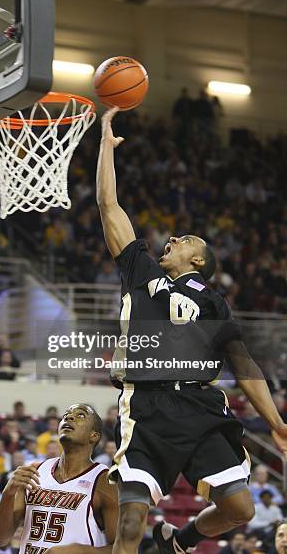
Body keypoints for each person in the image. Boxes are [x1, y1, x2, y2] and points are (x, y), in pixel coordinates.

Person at [96, 107, 287, 554]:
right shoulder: (142, 271)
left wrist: (276, 422)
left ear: (198, 261)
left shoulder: (215, 303)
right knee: (131, 521)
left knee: (241, 509)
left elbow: (243, 364)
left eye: (185, 240)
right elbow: (109, 205)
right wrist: (106, 147)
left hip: (200, 405)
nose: (173, 240)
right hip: (148, 403)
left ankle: (178, 544)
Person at [0, 403, 118, 552]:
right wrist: (7, 494)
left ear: (94, 435)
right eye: (66, 415)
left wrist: (84, 552)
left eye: (81, 415)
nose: (69, 417)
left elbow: (125, 549)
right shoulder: (35, 471)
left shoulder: (103, 480)